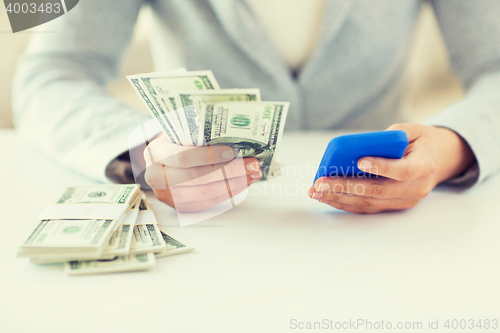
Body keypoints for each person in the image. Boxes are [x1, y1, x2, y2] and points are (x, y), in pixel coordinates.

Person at [13, 0, 500, 214]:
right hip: (213, 227)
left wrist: (454, 147)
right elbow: (51, 73)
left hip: (397, 218)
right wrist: (142, 152)